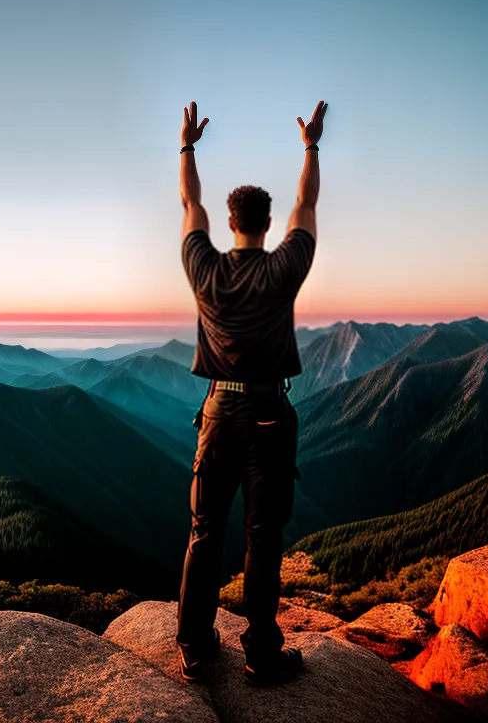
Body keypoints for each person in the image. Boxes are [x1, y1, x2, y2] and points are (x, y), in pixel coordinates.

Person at [174, 99, 327, 685]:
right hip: (267, 413)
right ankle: (261, 654)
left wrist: (187, 146)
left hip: (217, 411)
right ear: (265, 226)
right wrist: (311, 147)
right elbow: (306, 205)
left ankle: (192, 646)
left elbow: (190, 203)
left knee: (204, 529)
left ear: (231, 223)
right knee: (264, 538)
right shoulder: (283, 266)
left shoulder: (203, 267)